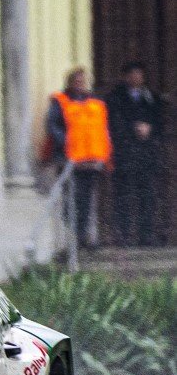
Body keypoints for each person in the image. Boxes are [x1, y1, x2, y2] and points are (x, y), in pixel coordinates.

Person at [47, 66, 114, 249]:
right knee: (71, 200)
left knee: (87, 200)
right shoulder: (60, 101)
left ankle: (85, 237)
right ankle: (74, 238)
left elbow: (103, 129)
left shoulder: (96, 103)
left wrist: (106, 155)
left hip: (91, 161)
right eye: (76, 81)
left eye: (83, 81)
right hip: (69, 160)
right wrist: (66, 142)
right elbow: (53, 126)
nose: (80, 85)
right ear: (69, 82)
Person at [107, 61, 163, 246]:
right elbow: (113, 123)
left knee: (146, 195)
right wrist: (133, 129)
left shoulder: (151, 97)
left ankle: (146, 235)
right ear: (125, 76)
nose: (136, 77)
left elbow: (161, 121)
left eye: (139, 74)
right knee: (123, 194)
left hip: (146, 155)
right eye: (132, 74)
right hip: (124, 153)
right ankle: (123, 236)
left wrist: (150, 128)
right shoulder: (115, 97)